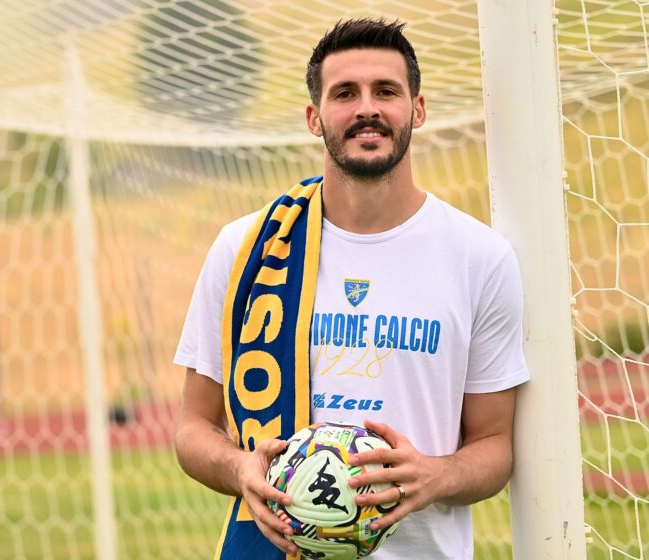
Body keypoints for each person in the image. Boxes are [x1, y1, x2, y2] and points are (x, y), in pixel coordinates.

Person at [174, 18, 529, 560]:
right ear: (314, 117)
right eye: (345, 93)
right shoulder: (247, 250)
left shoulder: (479, 257)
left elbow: (494, 444)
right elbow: (194, 427)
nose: (367, 108)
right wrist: (240, 467)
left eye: (386, 91)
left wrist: (436, 475)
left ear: (418, 109)